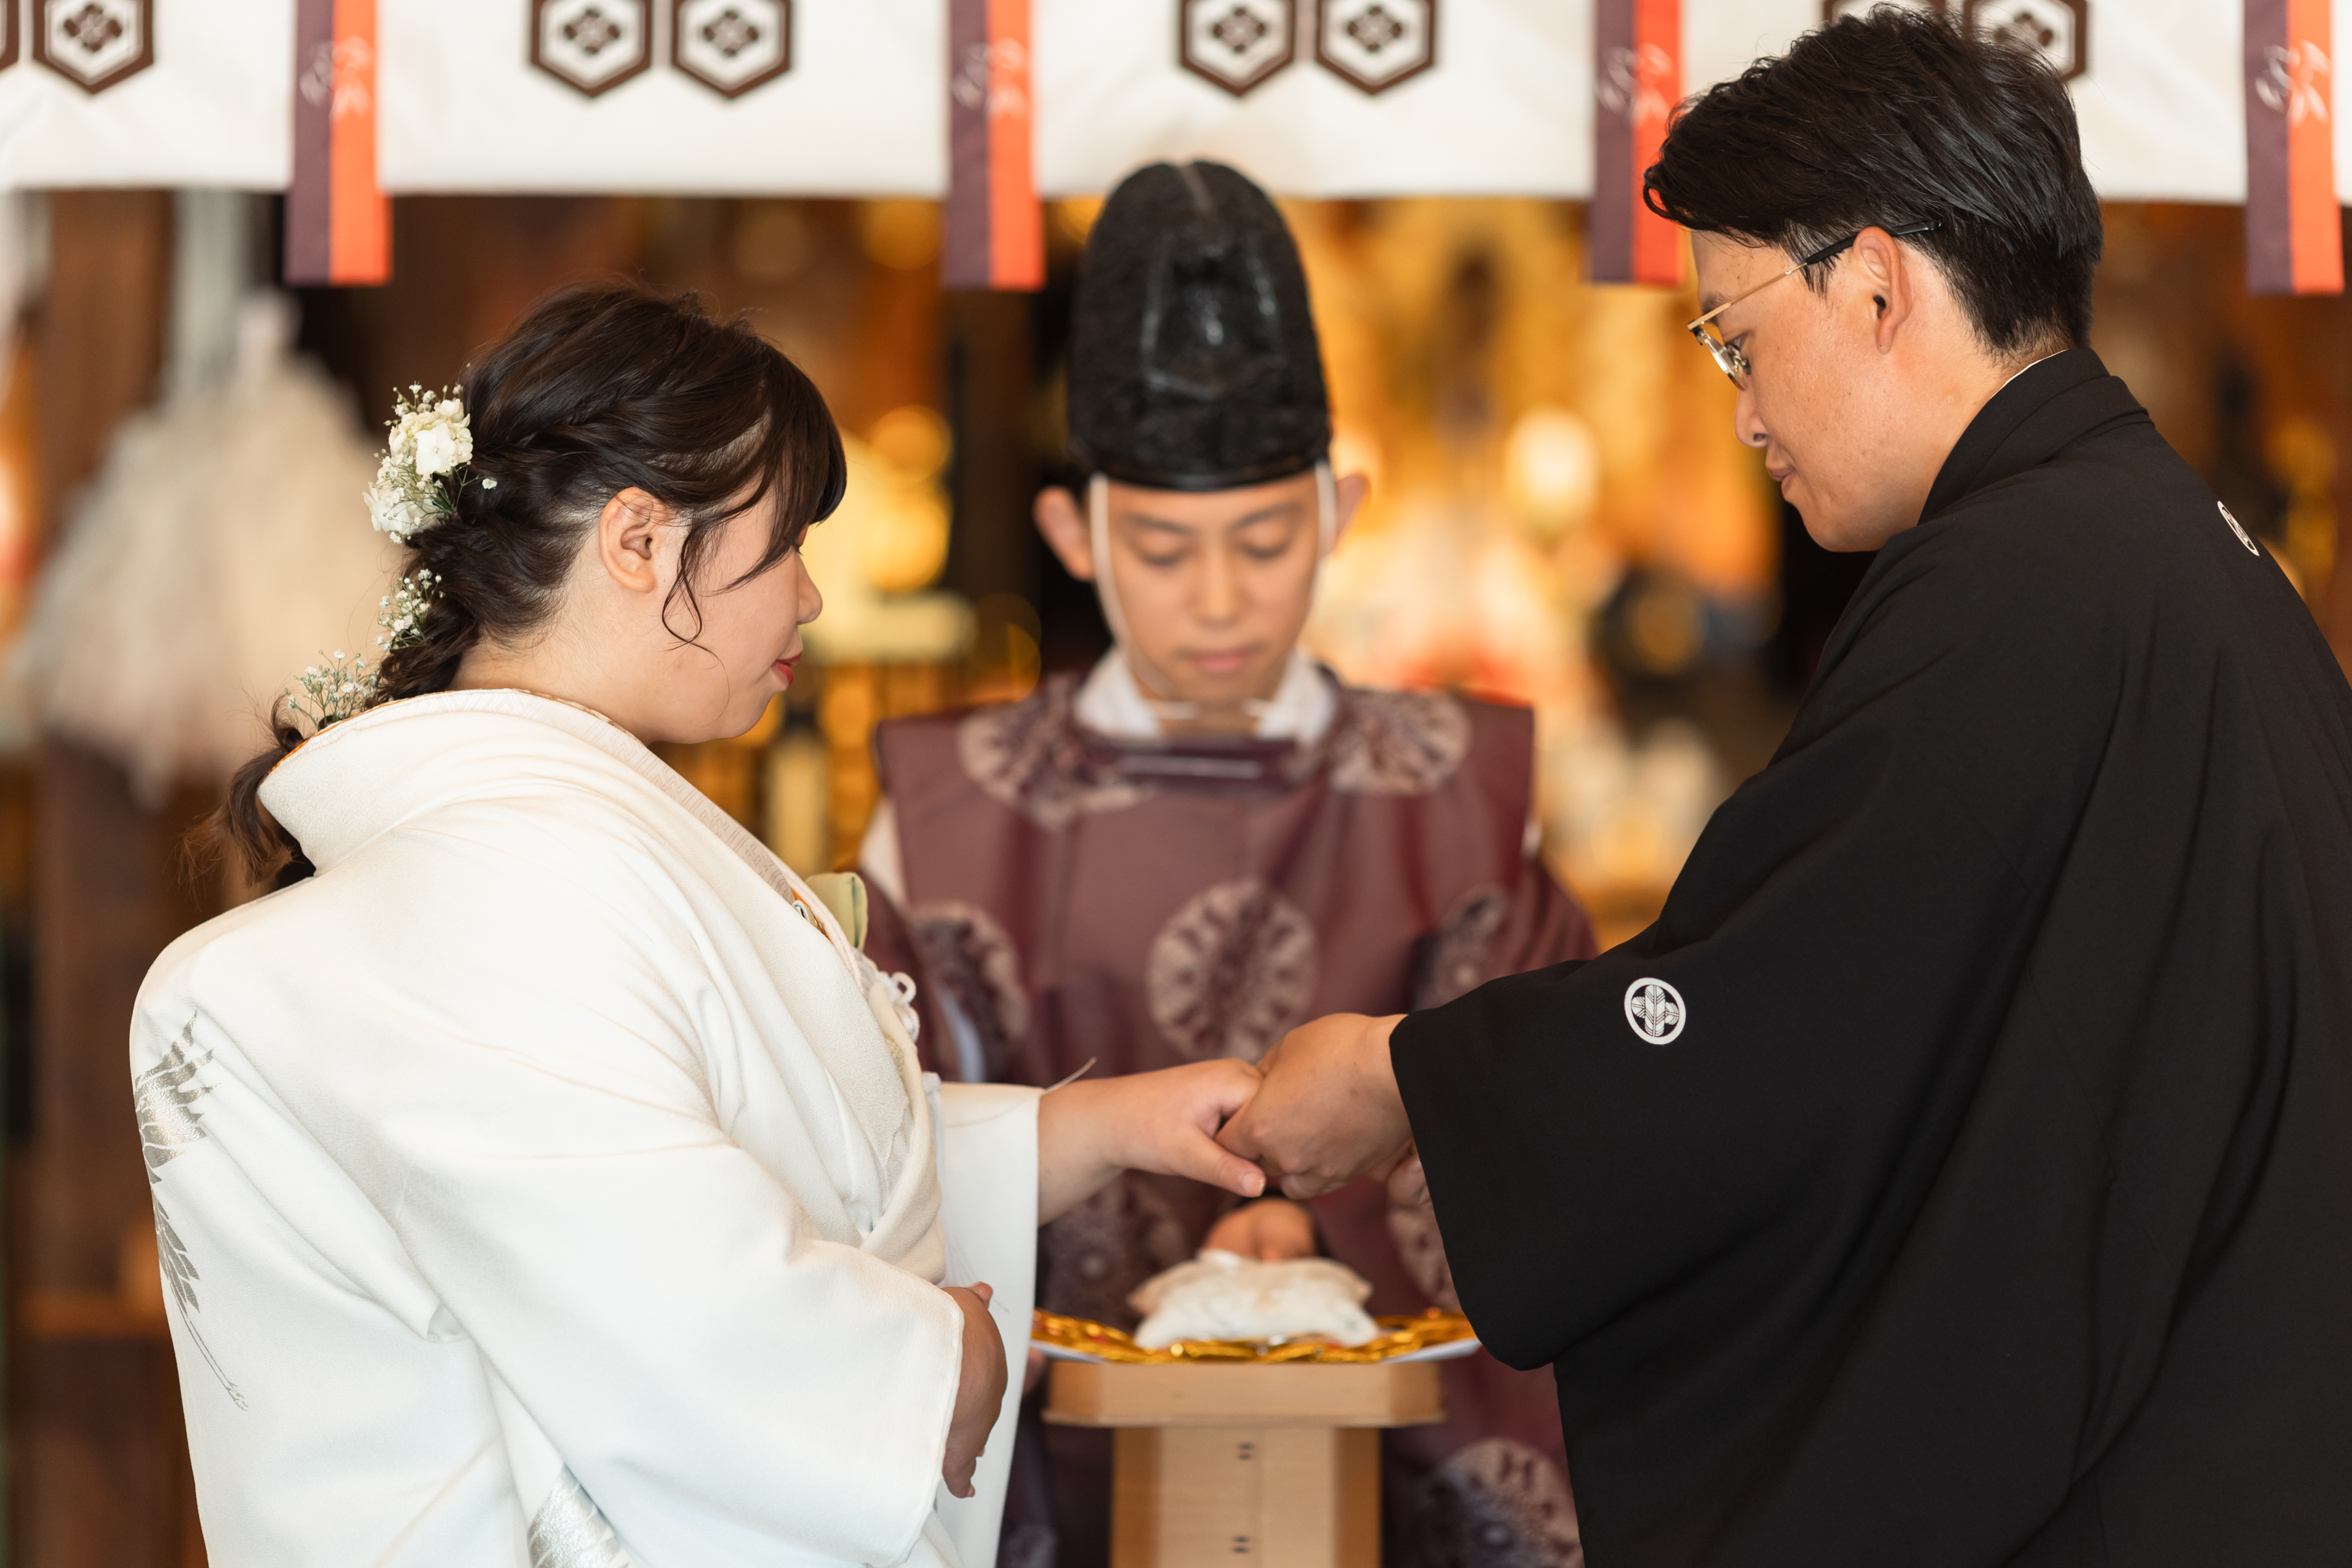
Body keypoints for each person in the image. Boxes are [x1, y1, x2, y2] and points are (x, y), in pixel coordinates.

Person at [1221, 13, 2352, 1567]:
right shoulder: (2175, 549)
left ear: (1877, 285)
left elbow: (1786, 1013)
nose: (1743, 414)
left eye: (1740, 343)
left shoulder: (2022, 578)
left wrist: (1412, 1083)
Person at [133, 284, 1270, 1567]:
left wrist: (1088, 1129)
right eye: (785, 542)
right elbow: (650, 1284)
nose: (810, 597)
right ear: (636, 540)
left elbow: (728, 1141)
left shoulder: (538, 847)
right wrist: (932, 1362)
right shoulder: (497, 881)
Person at [858, 161, 1594, 1567]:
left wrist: (1329, 1260)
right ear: (1074, 532)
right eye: (1162, 546)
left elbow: (1555, 1134)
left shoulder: (1471, 797)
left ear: (1339, 508)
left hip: (1404, 1471)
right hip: (1057, 1474)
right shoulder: (945, 813)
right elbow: (882, 1160)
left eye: (1262, 543)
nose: (1215, 601)